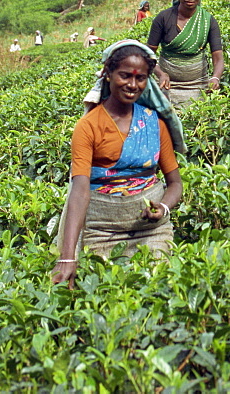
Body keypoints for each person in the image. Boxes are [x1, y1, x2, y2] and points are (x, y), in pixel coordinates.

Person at [51, 40, 186, 287]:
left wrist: (164, 207)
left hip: (151, 232)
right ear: (108, 74)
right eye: (125, 76)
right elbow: (79, 191)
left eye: (141, 78)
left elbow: (175, 182)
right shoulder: (88, 127)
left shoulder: (154, 124)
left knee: (157, 287)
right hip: (102, 232)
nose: (133, 85)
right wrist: (68, 257)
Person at [148, 0, 224, 107]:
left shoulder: (208, 21)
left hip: (198, 84)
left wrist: (215, 78)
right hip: (167, 84)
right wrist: (160, 74)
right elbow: (148, 54)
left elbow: (218, 57)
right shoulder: (163, 18)